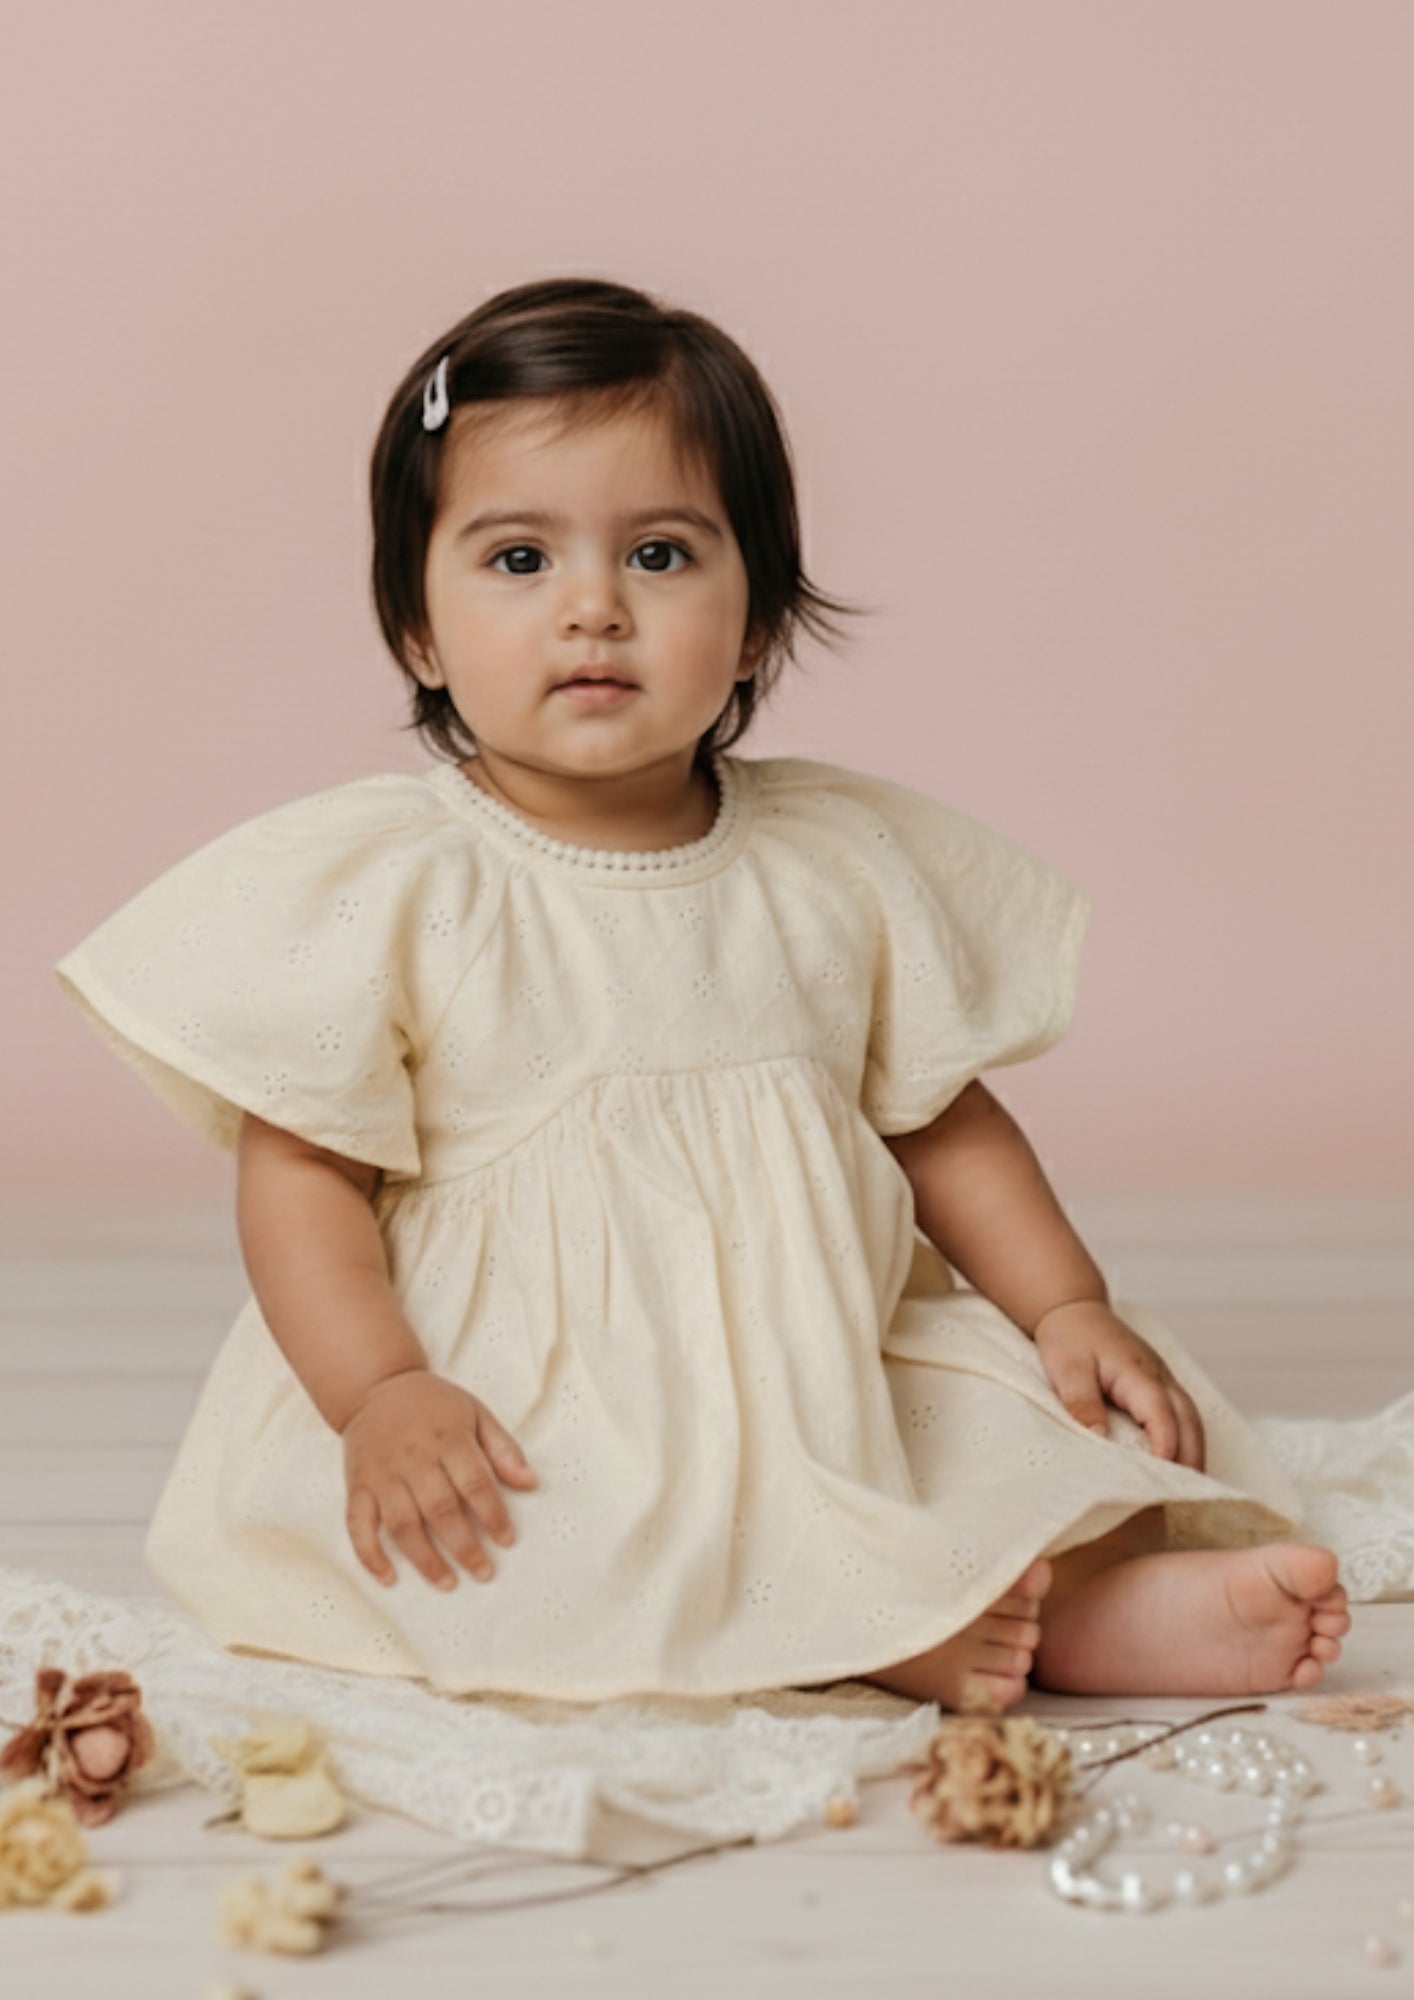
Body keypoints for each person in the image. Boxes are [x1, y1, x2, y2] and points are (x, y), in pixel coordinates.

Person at [54, 276, 1349, 1715]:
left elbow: (938, 1120)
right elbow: (301, 1173)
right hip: (533, 1389)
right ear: (417, 630)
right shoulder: (396, 883)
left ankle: (1099, 1606)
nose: (594, 607)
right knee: (538, 1533)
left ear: (755, 627)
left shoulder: (834, 859)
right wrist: (378, 1393)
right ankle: (892, 1631)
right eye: (517, 560)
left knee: (997, 1432)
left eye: (660, 554)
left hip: (823, 1365)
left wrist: (1062, 1303)